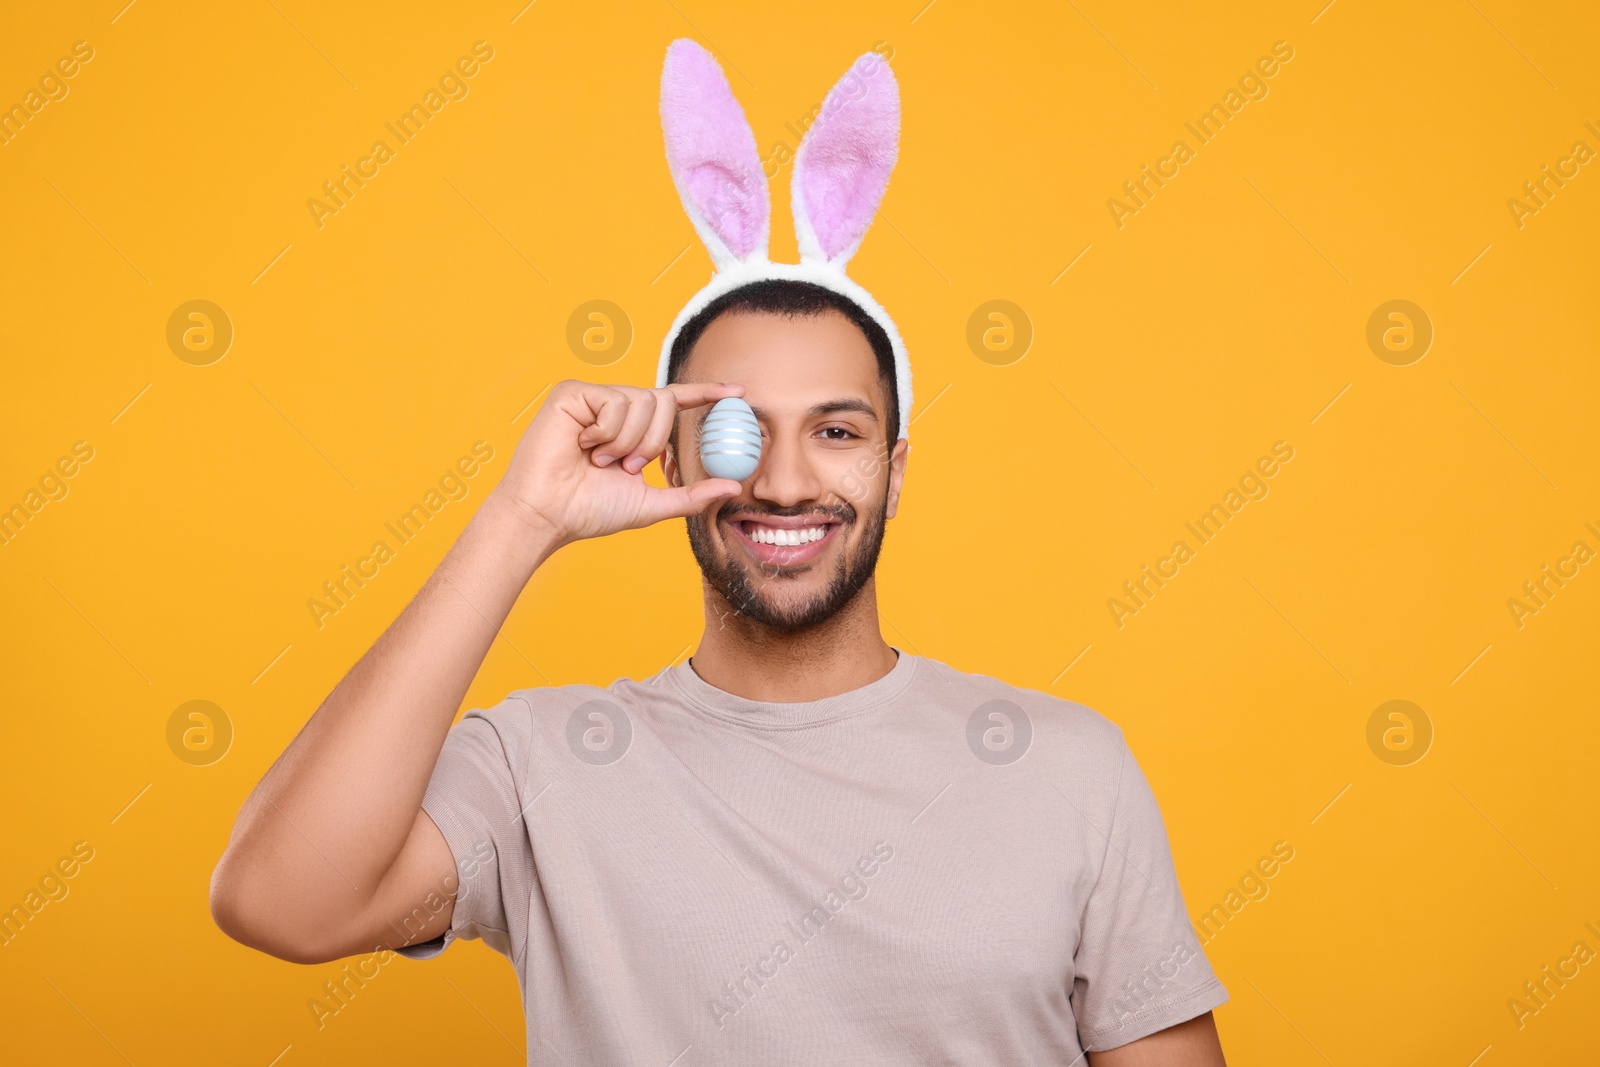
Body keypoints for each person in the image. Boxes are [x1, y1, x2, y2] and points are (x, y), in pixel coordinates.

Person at [209, 40, 1229, 1066]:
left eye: (836, 431)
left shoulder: (1066, 768)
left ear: (896, 466)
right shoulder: (544, 768)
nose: (784, 482)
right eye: (740, 432)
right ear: (670, 456)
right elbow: (279, 900)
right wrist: (523, 516)